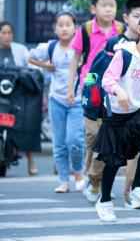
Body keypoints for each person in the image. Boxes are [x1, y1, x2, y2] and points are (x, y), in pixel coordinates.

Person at [94, 9, 140, 222]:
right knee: (113, 161)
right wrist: (119, 92)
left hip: (137, 113)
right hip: (116, 116)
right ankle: (105, 201)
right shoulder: (125, 54)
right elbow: (107, 80)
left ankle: (136, 189)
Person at [66, 0, 125, 202]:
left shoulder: (121, 30)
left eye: (112, 6)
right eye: (104, 5)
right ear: (94, 8)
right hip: (90, 83)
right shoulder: (86, 30)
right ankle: (92, 174)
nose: (109, 10)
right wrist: (70, 87)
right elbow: (75, 59)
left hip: (112, 85)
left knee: (106, 134)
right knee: (92, 135)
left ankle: (95, 178)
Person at [93, 0, 140, 207]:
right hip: (113, 110)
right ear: (126, 18)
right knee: (111, 156)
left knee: (138, 151)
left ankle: (130, 193)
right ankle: (97, 187)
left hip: (137, 111)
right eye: (137, 16)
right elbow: (103, 76)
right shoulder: (115, 44)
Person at [29, 12, 85, 192]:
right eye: (60, 25)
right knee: (59, 142)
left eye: (68, 24)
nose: (64, 28)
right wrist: (47, 66)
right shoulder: (51, 47)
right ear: (55, 28)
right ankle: (63, 180)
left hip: (77, 100)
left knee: (74, 140)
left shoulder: (81, 47)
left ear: (75, 28)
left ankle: (78, 171)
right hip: (57, 100)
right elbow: (30, 57)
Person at [0, 21, 37, 176]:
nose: (7, 36)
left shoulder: (20, 50)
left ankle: (31, 160)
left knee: (26, 124)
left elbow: (32, 67)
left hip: (18, 97)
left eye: (9, 33)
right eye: (3, 33)